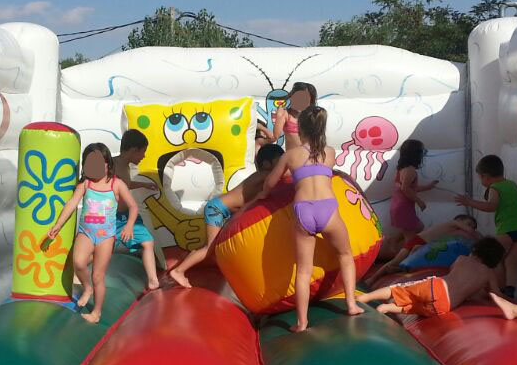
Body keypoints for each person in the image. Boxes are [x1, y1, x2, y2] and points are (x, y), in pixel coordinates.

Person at [262, 107, 361, 331]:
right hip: (328, 209)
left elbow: (270, 182)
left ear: (300, 129)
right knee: (345, 255)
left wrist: (263, 194)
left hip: (303, 210)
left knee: (303, 271)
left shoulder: (291, 155)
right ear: (322, 128)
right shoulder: (330, 152)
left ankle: (302, 322)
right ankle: (351, 305)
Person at [46, 142, 140, 324]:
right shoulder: (86, 184)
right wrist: (58, 225)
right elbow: (71, 204)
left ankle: (96, 312)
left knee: (98, 276)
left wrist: (129, 225)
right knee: (78, 262)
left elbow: (133, 206)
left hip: (106, 237)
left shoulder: (116, 184)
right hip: (86, 232)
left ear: (108, 164)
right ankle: (87, 288)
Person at [169, 143, 284, 289]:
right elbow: (279, 181)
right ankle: (178, 271)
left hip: (220, 208)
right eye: (280, 162)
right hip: (217, 209)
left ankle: (184, 264)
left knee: (211, 246)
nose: (283, 167)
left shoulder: (260, 176)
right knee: (209, 248)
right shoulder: (264, 175)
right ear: (267, 164)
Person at [357, 237, 506, 316]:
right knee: (414, 308)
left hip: (437, 287)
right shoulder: (488, 273)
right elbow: (496, 295)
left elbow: (452, 272)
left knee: (398, 290)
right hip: (444, 306)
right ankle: (387, 308)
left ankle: (365, 298)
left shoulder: (463, 259)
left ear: (475, 250)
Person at [456, 154, 517, 298]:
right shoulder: (512, 184)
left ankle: (498, 289)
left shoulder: (494, 188)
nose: (481, 181)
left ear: (485, 176)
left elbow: (491, 206)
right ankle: (510, 291)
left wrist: (470, 202)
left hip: (507, 230)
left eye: (480, 178)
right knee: (512, 261)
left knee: (494, 259)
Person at [363, 214, 478, 287]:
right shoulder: (453, 223)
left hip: (422, 245)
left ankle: (396, 269)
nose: (470, 227)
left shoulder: (454, 232)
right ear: (459, 220)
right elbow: (469, 231)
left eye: (473, 226)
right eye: (468, 224)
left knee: (408, 262)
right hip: (417, 240)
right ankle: (373, 278)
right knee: (395, 261)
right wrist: (478, 235)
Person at [112, 128, 161, 292]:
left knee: (147, 242)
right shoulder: (112, 165)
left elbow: (126, 184)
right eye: (143, 152)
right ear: (134, 150)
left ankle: (153, 280)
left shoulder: (125, 166)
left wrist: (143, 184)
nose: (144, 156)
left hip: (126, 216)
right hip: (112, 217)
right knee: (103, 247)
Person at [378, 138, 438, 258]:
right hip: (403, 207)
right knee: (410, 239)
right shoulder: (410, 170)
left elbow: (410, 188)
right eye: (421, 152)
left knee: (419, 227)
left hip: (400, 206)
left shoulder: (403, 169)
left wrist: (428, 187)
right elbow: (405, 189)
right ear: (416, 155)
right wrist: (419, 201)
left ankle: (394, 240)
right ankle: (404, 260)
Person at [258, 81, 316, 146]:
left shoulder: (313, 115)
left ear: (311, 101)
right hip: (293, 152)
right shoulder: (285, 114)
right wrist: (260, 140)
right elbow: (275, 136)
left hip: (311, 151)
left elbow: (318, 139)